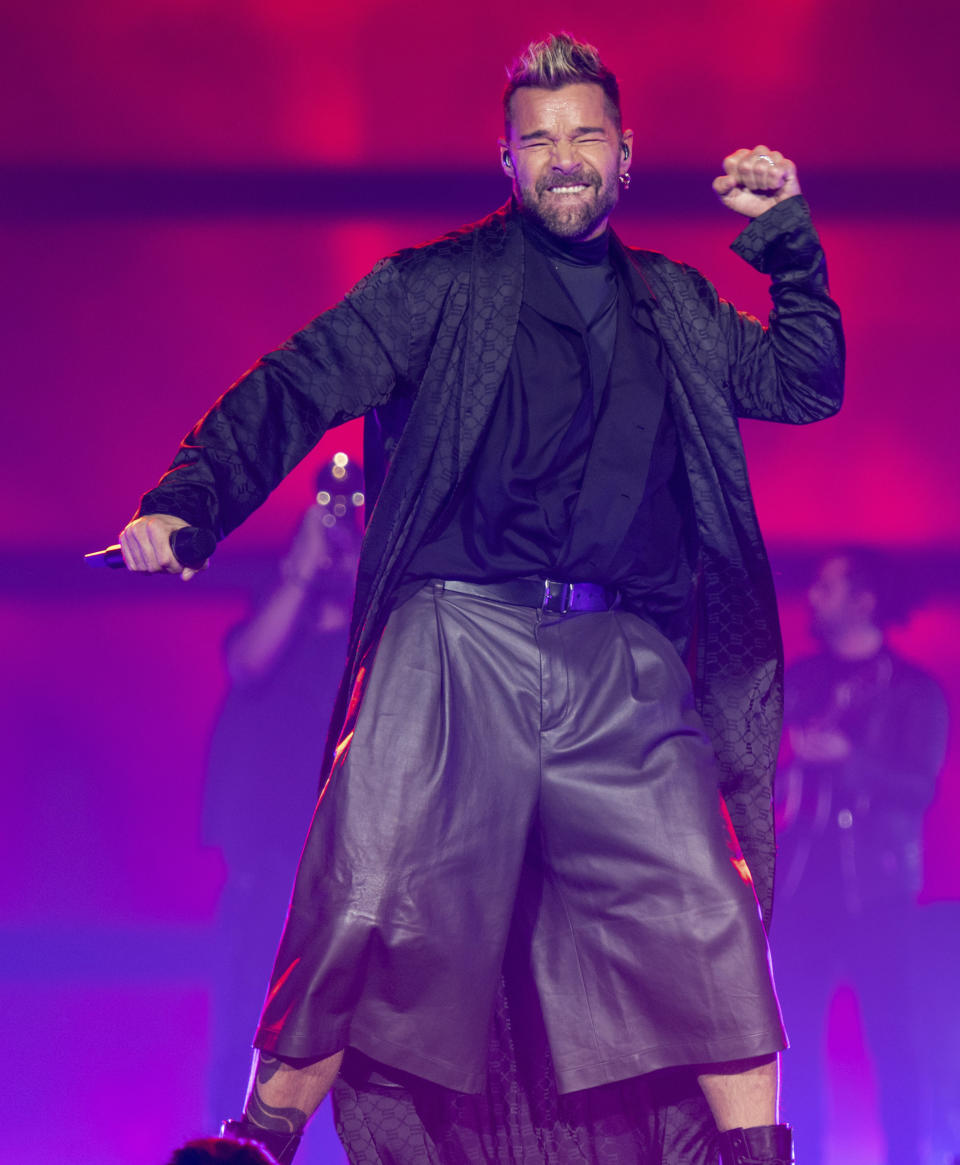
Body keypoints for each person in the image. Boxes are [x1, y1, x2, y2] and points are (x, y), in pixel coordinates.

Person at [118, 33, 844, 1165]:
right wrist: (189, 499)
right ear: (506, 160)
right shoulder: (437, 286)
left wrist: (789, 239)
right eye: (539, 141)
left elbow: (804, 384)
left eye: (585, 136)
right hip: (458, 632)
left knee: (708, 905)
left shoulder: (677, 305)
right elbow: (298, 381)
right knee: (367, 877)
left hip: (622, 651)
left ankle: (756, 1155)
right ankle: (262, 1135)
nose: (564, 159)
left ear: (624, 152)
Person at [773, 549, 949, 1165]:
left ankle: (906, 1156)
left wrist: (847, 759)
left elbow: (918, 789)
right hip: (800, 892)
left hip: (879, 894)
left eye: (827, 585)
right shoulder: (800, 681)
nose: (814, 597)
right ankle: (801, 1156)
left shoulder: (914, 692)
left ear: (864, 599)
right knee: (790, 1045)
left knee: (893, 1041)